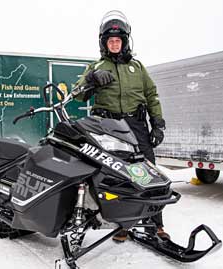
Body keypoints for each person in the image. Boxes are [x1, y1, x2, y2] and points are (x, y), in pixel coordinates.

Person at [75, 11, 169, 242]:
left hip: (136, 126)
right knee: (118, 176)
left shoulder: (137, 67)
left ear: (125, 42)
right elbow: (78, 94)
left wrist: (157, 123)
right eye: (111, 41)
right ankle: (124, 224)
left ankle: (156, 224)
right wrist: (91, 80)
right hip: (109, 128)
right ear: (104, 43)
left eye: (118, 40)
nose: (115, 44)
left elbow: (151, 95)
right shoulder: (96, 66)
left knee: (148, 173)